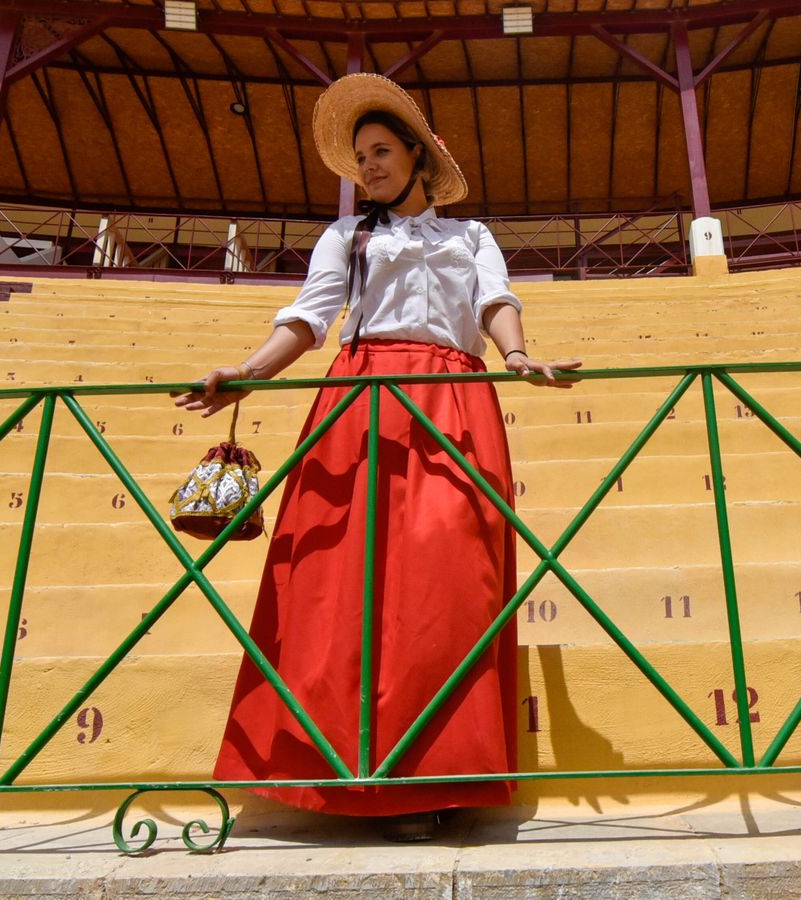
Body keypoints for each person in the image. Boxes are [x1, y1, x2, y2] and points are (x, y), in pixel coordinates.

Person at [172, 72, 582, 841]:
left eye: (382, 151)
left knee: (449, 576)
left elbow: (495, 303)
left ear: (421, 158)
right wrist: (249, 374)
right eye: (361, 156)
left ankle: (435, 773)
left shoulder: (471, 237)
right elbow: (309, 316)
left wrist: (520, 356)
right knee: (340, 579)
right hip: (359, 399)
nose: (369, 167)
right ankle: (337, 772)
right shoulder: (347, 236)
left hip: (454, 397)